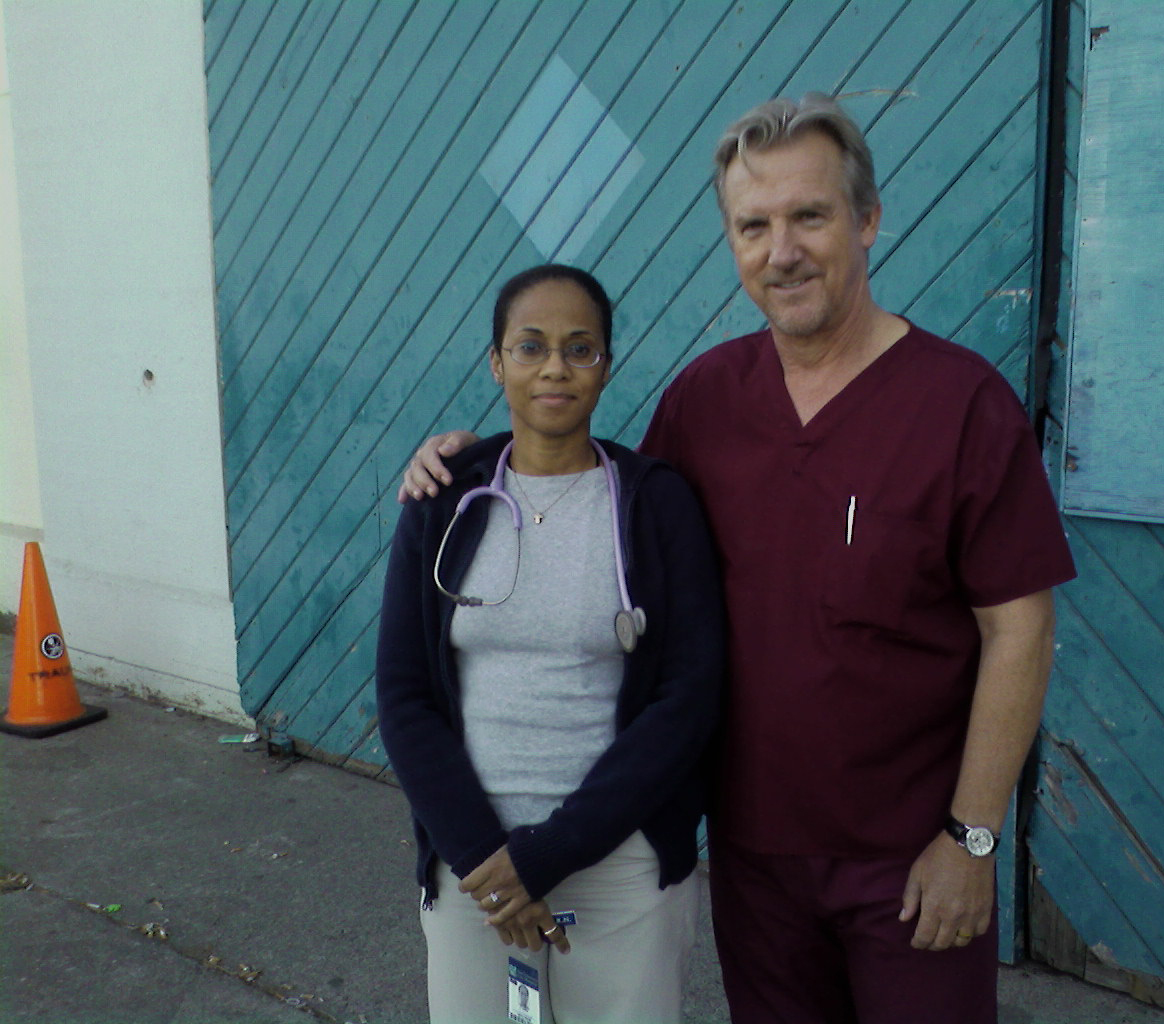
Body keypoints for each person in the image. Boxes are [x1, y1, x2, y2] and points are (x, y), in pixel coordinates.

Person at [399, 95, 1077, 1024]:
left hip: (912, 862)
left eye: (810, 216)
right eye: (753, 226)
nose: (781, 250)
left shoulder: (963, 406)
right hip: (753, 860)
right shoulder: (706, 402)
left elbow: (1021, 630)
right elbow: (586, 488)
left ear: (868, 219)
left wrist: (972, 837)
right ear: (731, 242)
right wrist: (464, 464)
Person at [377, 263, 724, 1024]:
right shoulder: (445, 500)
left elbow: (688, 699)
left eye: (580, 348)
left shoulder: (655, 503)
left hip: (620, 866)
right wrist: (483, 861)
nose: (555, 368)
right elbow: (403, 695)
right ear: (497, 362)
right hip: (473, 867)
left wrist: (546, 856)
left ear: (607, 364)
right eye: (530, 347)